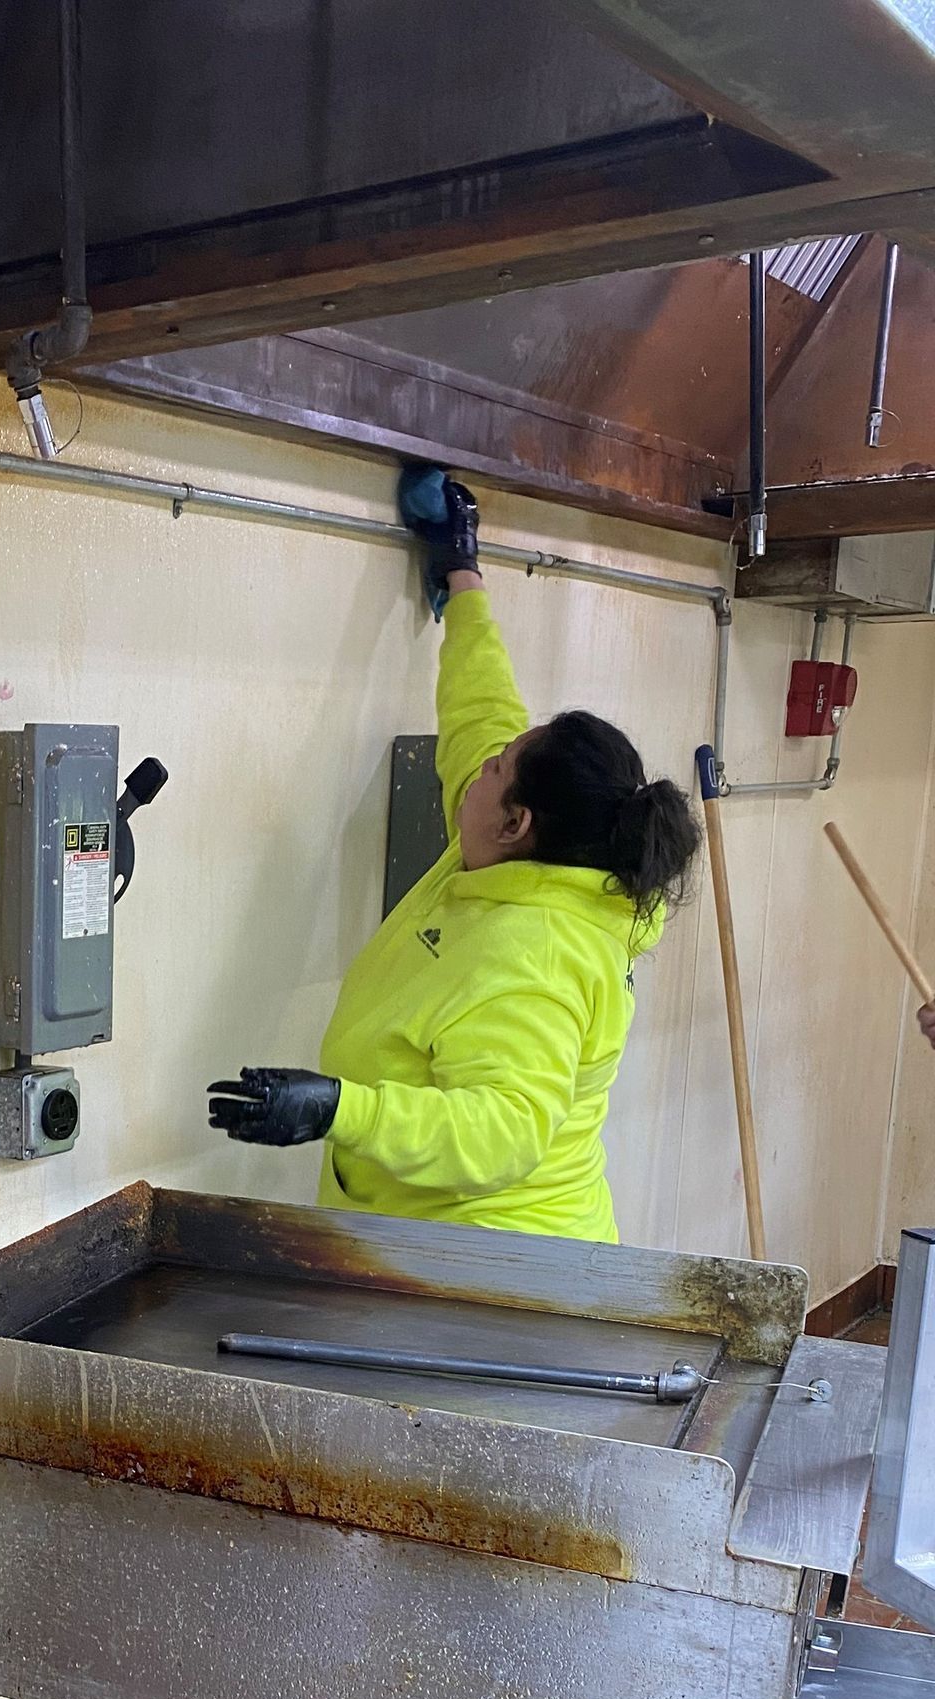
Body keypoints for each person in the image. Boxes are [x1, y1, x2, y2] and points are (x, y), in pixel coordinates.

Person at [208, 470, 702, 1243]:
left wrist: (343, 1108)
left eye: (500, 768)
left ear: (516, 823)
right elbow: (484, 711)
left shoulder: (534, 953)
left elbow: (500, 1135)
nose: (481, 765)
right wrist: (460, 575)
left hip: (499, 1270)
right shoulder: (516, 860)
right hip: (425, 1238)